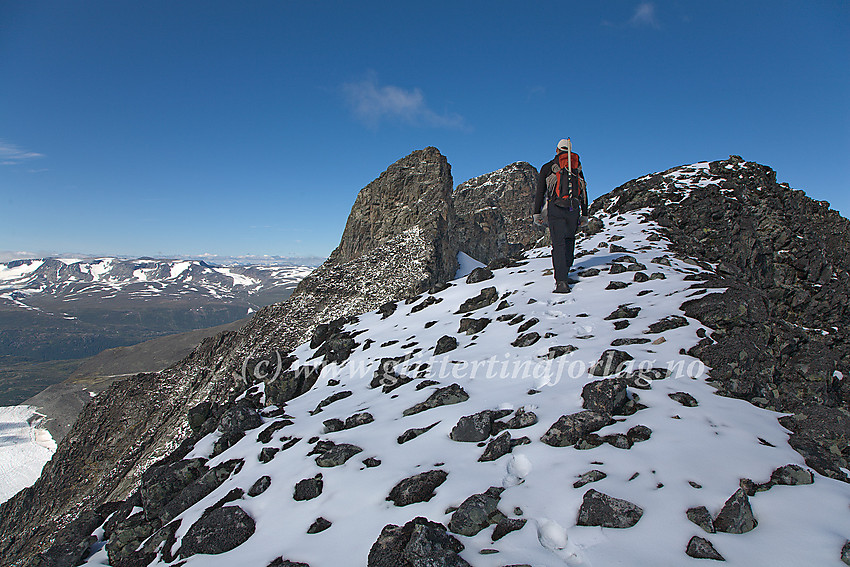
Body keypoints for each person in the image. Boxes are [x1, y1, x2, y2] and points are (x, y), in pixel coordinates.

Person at [533, 138, 588, 293]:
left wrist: (537, 213)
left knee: (558, 244)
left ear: (557, 150)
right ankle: (566, 271)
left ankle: (561, 281)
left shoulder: (548, 167)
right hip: (574, 209)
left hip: (555, 209)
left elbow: (540, 193)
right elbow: (583, 191)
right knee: (570, 239)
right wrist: (585, 214)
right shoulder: (576, 167)